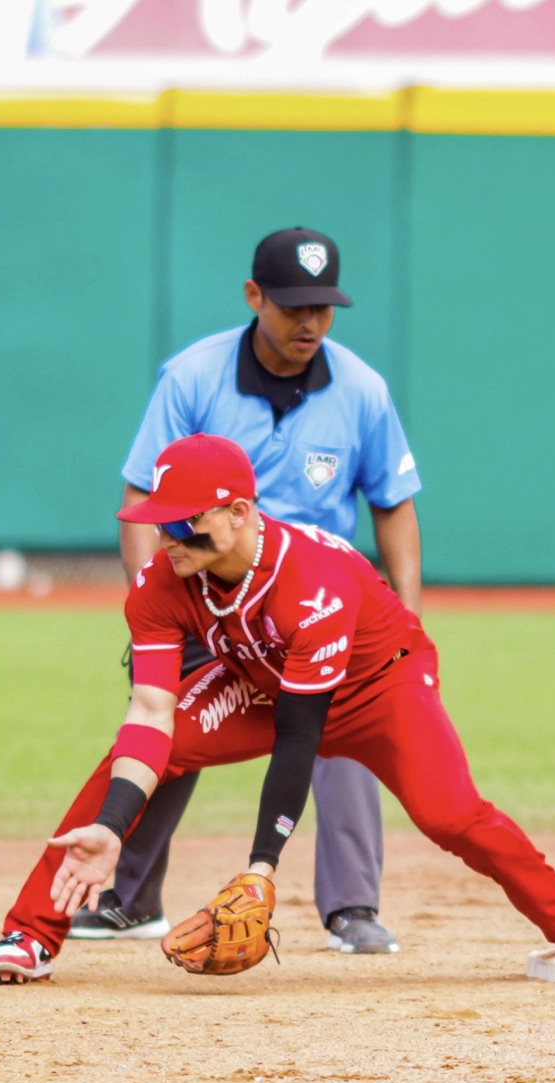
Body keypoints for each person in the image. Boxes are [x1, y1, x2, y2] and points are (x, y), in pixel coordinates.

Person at [0, 434, 555, 984]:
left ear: (239, 512)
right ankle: (30, 931)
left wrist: (261, 865)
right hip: (265, 681)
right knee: (134, 759)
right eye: (158, 523)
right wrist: (114, 826)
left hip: (379, 687)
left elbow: (301, 739)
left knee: (450, 815)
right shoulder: (162, 581)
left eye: (184, 523)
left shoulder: (312, 586)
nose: (167, 538)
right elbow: (152, 711)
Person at [69, 226, 418, 956]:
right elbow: (141, 492)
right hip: (205, 589)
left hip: (316, 595)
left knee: (341, 720)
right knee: (166, 727)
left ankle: (351, 906)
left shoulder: (361, 390)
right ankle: (131, 898)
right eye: (293, 305)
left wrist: (405, 626)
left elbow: (394, 504)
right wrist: (151, 605)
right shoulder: (193, 378)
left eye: (324, 307)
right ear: (254, 297)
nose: (310, 322)